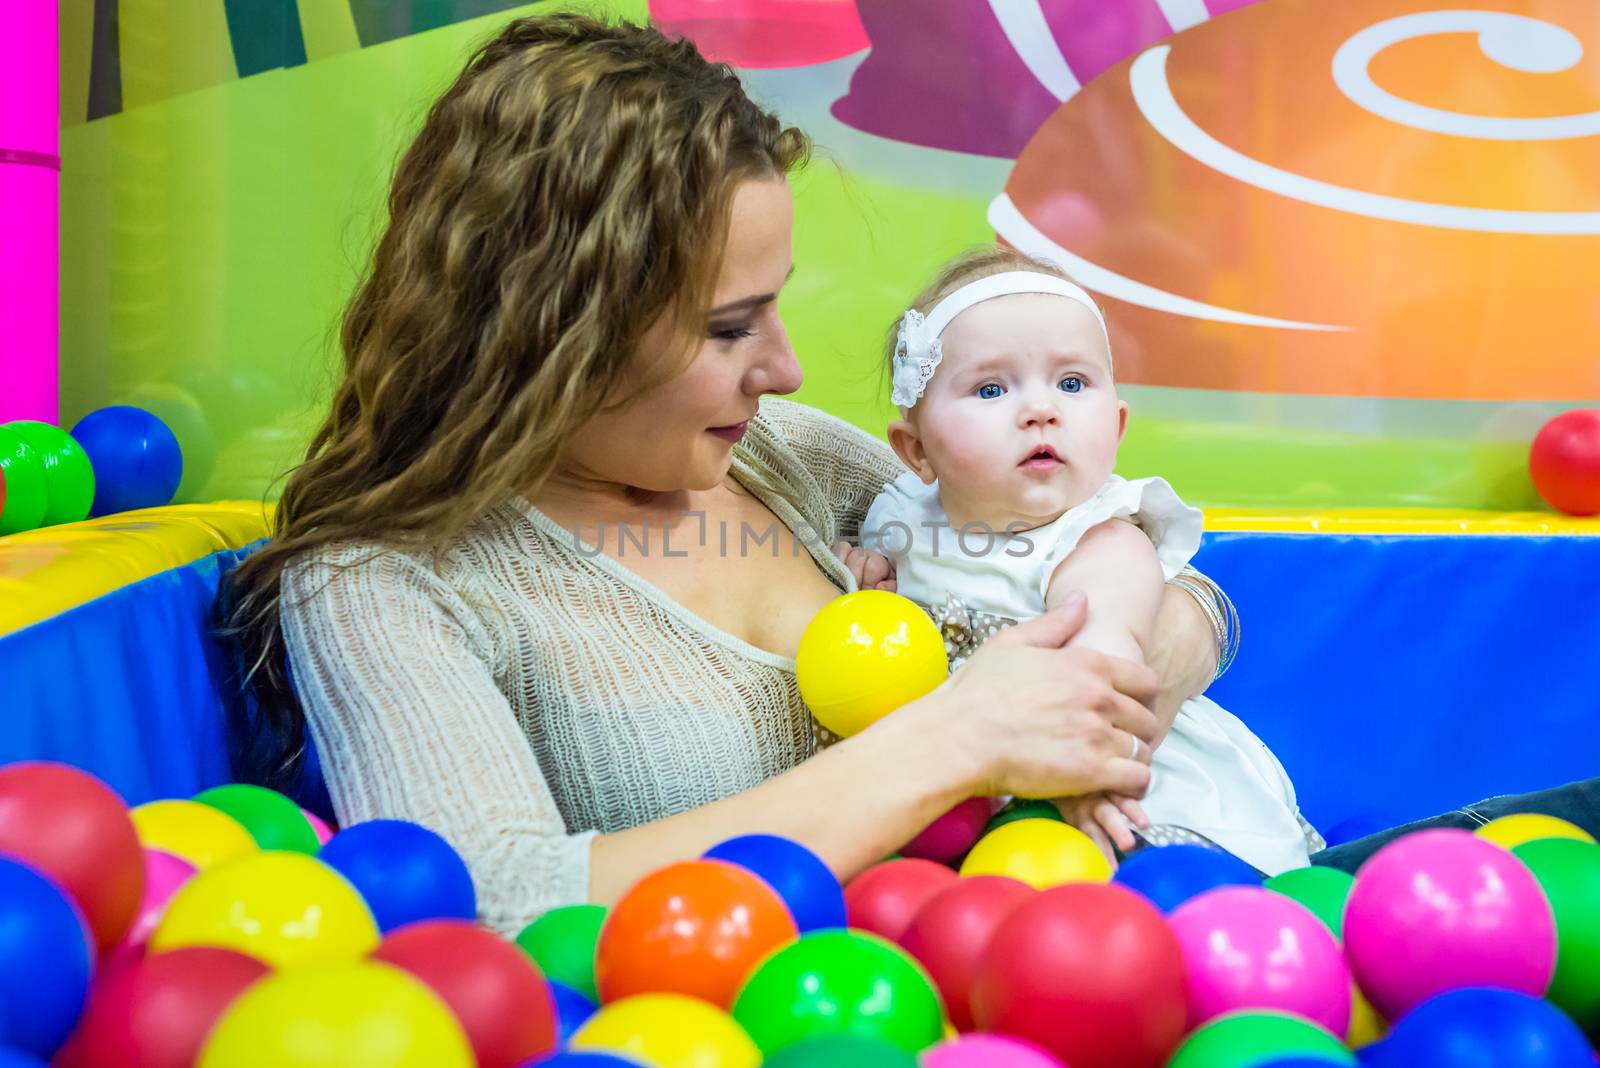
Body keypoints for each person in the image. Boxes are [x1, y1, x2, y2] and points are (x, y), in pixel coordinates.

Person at [218, 13, 1229, 933]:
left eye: (774, 305)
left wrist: (1113, 674)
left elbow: (1152, 573)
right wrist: (955, 740)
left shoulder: (784, 454)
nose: (784, 368)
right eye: (728, 327)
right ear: (556, 333)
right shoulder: (385, 580)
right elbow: (493, 904)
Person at [861, 248, 1320, 875]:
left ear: (1118, 424)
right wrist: (853, 572)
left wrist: (1092, 764)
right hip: (983, 807)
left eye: (1072, 384)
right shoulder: (902, 517)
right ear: (917, 451)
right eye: (991, 388)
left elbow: (1108, 647)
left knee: (1147, 892)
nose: (1041, 409)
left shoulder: (1098, 538)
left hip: (1127, 788)